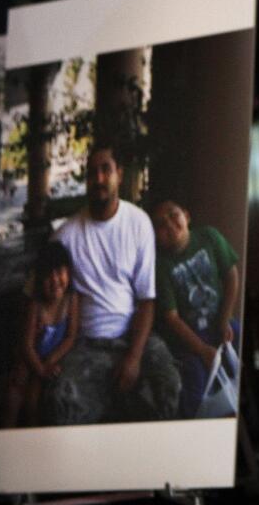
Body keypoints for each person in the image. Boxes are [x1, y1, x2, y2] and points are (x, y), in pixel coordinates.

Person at [42, 143, 180, 424]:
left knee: (169, 387)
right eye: (92, 173)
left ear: (119, 173)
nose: (100, 179)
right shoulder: (65, 237)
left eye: (106, 170)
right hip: (87, 345)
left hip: (134, 336)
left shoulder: (138, 223)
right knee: (62, 400)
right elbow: (41, 297)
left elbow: (146, 301)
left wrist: (133, 357)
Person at [152, 200, 241, 418]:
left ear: (187, 215)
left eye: (174, 215)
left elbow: (231, 276)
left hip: (220, 321)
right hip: (190, 338)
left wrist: (224, 318)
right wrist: (202, 349)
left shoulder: (209, 237)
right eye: (161, 225)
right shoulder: (161, 266)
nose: (170, 225)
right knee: (195, 383)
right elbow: (172, 319)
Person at [0, 242, 81, 427]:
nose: (55, 280)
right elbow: (26, 344)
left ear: (69, 272)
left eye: (60, 272)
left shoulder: (72, 299)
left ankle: (33, 438)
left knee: (33, 402)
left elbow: (70, 336)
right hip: (30, 357)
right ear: (38, 279)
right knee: (13, 394)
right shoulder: (35, 304)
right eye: (48, 275)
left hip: (51, 358)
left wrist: (49, 362)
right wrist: (39, 368)